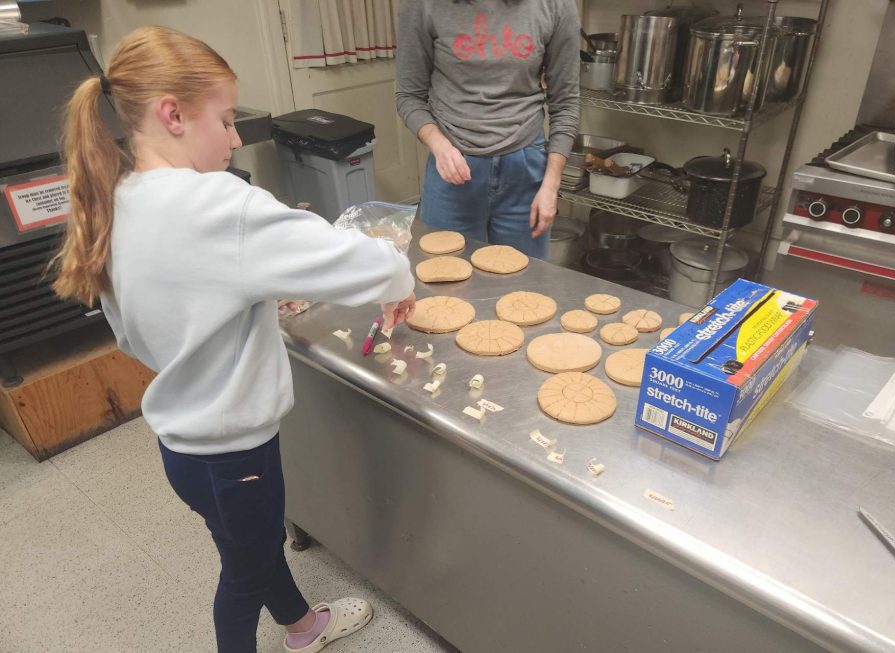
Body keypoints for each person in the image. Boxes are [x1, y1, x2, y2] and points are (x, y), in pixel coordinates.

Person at [52, 26, 415, 653]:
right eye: (224, 119)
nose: (236, 136)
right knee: (242, 577)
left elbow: (137, 330)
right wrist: (398, 276)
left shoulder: (118, 199)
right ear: (173, 114)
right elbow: (369, 264)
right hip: (234, 451)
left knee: (249, 542)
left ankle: (303, 626)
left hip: (181, 444)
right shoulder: (220, 204)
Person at [396, 0, 580, 259]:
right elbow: (408, 95)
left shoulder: (555, 5)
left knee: (523, 286)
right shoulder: (424, 5)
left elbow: (566, 103)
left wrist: (551, 186)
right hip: (453, 168)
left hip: (525, 170)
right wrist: (439, 145)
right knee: (446, 284)